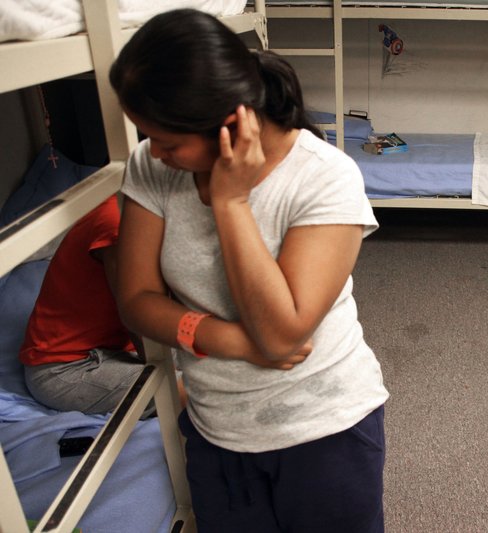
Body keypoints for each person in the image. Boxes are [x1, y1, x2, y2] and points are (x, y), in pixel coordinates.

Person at [109, 8, 389, 532]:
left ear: (230, 122)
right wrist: (228, 340)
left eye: (169, 143)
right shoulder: (152, 165)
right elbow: (136, 297)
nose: (155, 154)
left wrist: (231, 203)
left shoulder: (324, 178)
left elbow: (283, 334)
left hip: (324, 430)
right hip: (217, 430)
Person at [19, 195, 156, 415]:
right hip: (65, 368)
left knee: (218, 360)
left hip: (117, 347)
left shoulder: (155, 209)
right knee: (203, 390)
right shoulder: (118, 220)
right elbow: (138, 322)